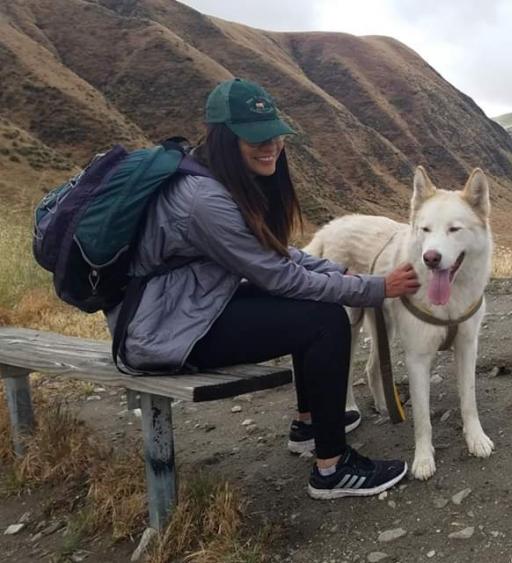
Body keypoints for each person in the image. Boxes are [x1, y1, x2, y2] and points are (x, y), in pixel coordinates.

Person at [107, 78, 420, 499]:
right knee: (324, 319)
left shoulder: (211, 179)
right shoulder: (204, 200)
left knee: (306, 303)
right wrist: (375, 287)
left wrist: (334, 270)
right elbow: (280, 277)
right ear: (222, 138)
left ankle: (310, 425)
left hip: (186, 309)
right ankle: (332, 469)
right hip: (162, 332)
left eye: (273, 133)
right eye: (254, 137)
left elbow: (273, 254)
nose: (270, 144)